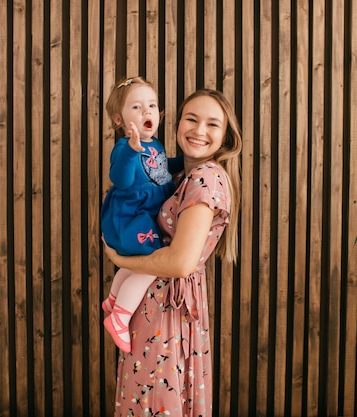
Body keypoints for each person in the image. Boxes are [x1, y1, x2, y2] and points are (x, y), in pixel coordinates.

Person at [103, 89, 242, 417]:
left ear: (224, 138)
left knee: (156, 404)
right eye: (191, 119)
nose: (199, 130)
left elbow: (180, 263)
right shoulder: (180, 174)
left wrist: (119, 260)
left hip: (170, 312)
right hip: (153, 307)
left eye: (212, 124)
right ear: (177, 123)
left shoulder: (206, 179)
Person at [101, 76, 184, 353]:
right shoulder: (126, 148)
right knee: (152, 265)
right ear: (118, 118)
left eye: (151, 105)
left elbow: (162, 167)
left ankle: (113, 299)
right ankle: (120, 317)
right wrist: (131, 152)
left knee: (137, 262)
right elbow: (121, 179)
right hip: (128, 216)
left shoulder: (155, 144)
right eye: (136, 107)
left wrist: (186, 160)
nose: (147, 111)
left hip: (141, 217)